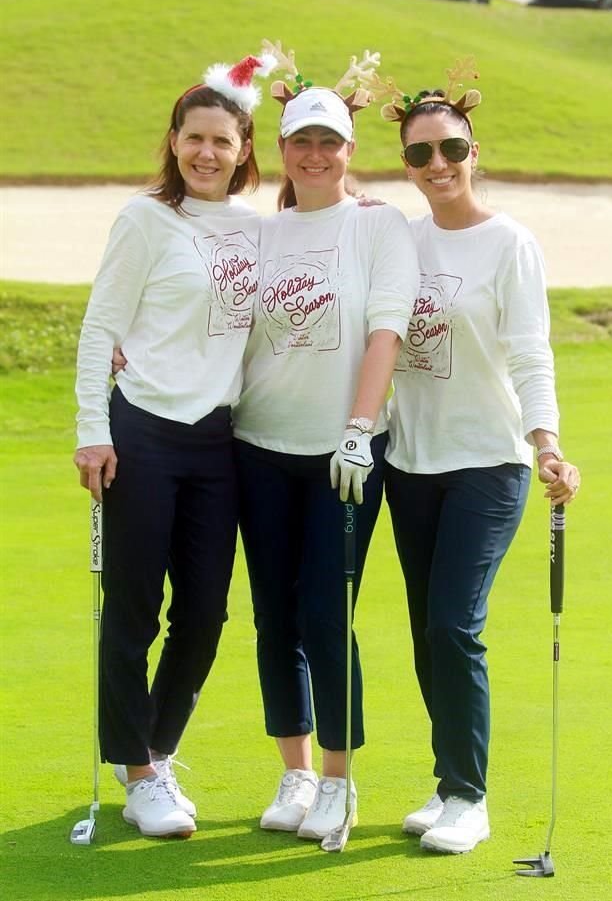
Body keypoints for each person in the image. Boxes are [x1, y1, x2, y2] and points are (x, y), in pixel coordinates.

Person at [379, 61, 581, 854]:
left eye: (450, 149)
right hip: (411, 462)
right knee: (430, 629)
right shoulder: (398, 237)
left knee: (456, 626)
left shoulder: (510, 243)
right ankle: (447, 780)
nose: (437, 166)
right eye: (420, 155)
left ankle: (470, 795)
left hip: (488, 463)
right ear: (405, 164)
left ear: (473, 148)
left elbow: (531, 354)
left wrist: (548, 442)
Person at [73, 51, 276, 838]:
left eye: (222, 142)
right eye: (194, 138)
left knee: (206, 611)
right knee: (134, 607)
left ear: (243, 150)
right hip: (144, 432)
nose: (206, 153)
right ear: (173, 140)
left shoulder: (257, 231)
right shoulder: (144, 219)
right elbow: (102, 329)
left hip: (218, 441)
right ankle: (136, 771)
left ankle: (158, 750)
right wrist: (93, 429)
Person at [231, 46, 419, 841]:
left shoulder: (378, 228)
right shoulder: (262, 234)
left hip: (343, 455)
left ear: (349, 150)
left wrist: (356, 430)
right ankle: (297, 769)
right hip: (258, 445)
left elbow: (387, 331)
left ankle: (340, 778)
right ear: (282, 150)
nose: (315, 154)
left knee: (323, 609)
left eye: (329, 142)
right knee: (274, 615)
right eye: (301, 141)